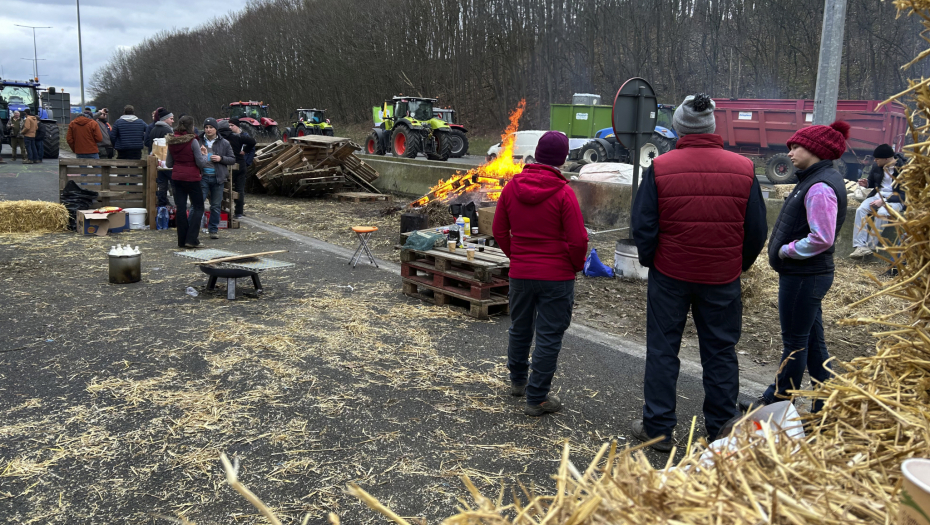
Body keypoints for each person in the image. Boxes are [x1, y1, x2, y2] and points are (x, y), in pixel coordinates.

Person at [629, 94, 768, 451]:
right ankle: (721, 427)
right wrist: (739, 265)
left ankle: (658, 429)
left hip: (670, 275)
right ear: (712, 126)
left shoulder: (659, 168)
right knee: (721, 351)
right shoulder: (744, 168)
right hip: (721, 277)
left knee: (663, 350)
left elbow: (644, 224)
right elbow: (756, 229)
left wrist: (651, 261)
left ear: (677, 127)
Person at [741, 121, 851, 414]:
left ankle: (778, 401)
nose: (789, 152)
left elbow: (822, 238)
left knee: (795, 343)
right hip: (809, 275)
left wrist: (787, 250)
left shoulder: (819, 187)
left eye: (796, 146)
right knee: (813, 342)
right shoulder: (815, 179)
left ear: (814, 149)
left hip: (805, 275)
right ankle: (826, 402)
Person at [492, 131, 589, 416]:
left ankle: (518, 382)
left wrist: (516, 257)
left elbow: (499, 230)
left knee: (519, 329)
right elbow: (579, 240)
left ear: (537, 153)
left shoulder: (511, 187)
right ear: (562, 159)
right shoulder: (563, 193)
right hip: (556, 277)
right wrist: (575, 265)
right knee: (548, 336)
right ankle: (537, 399)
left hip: (521, 274)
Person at [849, 144, 906, 258]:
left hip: (896, 200)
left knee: (882, 213)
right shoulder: (877, 166)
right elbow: (871, 180)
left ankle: (870, 247)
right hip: (877, 195)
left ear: (886, 158)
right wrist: (867, 184)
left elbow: (905, 195)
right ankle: (860, 247)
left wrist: (884, 201)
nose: (875, 161)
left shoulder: (904, 169)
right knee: (861, 210)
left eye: (877, 159)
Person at [166, 115, 209, 248]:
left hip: (177, 178)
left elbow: (168, 163)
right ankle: (191, 238)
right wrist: (205, 154)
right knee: (198, 207)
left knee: (181, 208)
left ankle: (181, 240)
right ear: (192, 126)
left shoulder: (172, 141)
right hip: (192, 178)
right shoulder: (193, 141)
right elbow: (201, 163)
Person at [198, 118, 236, 239]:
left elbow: (232, 159)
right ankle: (194, 228)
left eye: (211, 127)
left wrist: (221, 159)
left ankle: (213, 229)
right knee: (198, 204)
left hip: (217, 177)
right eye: (206, 127)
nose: (208, 130)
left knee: (215, 205)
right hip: (202, 177)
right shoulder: (198, 141)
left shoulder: (224, 143)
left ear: (216, 129)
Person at [220, 117, 256, 218]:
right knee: (239, 189)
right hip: (240, 164)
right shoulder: (238, 137)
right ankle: (238, 212)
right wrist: (245, 150)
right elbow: (253, 141)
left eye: (232, 125)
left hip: (226, 165)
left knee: (222, 188)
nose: (231, 127)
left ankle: (222, 210)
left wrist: (245, 150)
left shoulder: (220, 139)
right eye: (229, 125)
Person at [147, 109, 175, 207]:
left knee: (162, 186)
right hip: (167, 163)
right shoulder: (168, 130)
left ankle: (162, 206)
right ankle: (176, 208)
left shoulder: (153, 130)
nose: (173, 121)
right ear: (165, 119)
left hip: (157, 163)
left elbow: (149, 145)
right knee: (174, 185)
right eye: (171, 119)